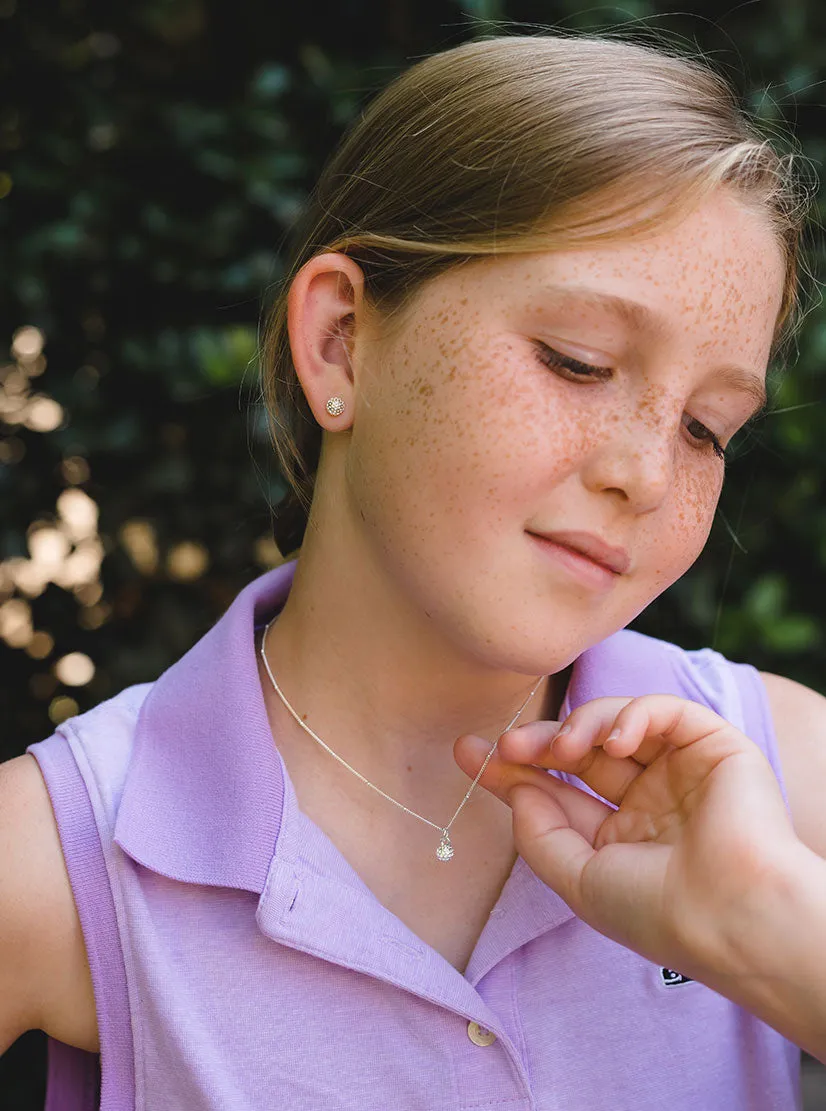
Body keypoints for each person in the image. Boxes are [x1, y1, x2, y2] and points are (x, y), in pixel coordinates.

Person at [1, 29, 823, 1111]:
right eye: (577, 362)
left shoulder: (788, 780)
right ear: (342, 340)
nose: (644, 475)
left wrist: (776, 939)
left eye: (708, 428)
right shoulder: (56, 864)